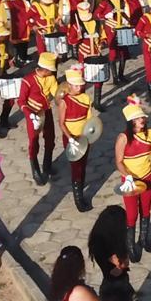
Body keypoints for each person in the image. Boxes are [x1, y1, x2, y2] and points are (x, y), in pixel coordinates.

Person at [114, 95, 151, 262]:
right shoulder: (123, 138)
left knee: (146, 210)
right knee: (131, 214)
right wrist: (128, 176)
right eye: (139, 118)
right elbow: (118, 162)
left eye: (142, 117)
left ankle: (144, 239)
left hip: (147, 177)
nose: (142, 120)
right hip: (130, 181)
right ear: (131, 121)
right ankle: (130, 245)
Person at [57, 66, 95, 212]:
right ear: (70, 85)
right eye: (76, 84)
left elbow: (89, 118)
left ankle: (81, 189)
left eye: (81, 84)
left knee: (83, 164)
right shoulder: (64, 101)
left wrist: (90, 133)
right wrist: (70, 138)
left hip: (83, 136)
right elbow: (61, 123)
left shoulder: (86, 98)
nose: (79, 87)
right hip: (71, 137)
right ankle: (78, 199)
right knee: (76, 166)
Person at [19, 51, 59, 186]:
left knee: (50, 139)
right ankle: (35, 169)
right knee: (33, 142)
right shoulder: (28, 80)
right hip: (33, 114)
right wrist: (29, 114)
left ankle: (47, 165)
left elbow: (56, 93)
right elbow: (21, 101)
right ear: (45, 69)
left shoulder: (51, 78)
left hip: (46, 111)